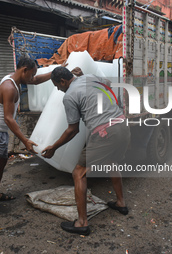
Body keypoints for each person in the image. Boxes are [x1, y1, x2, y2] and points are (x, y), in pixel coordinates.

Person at [0, 57, 62, 231]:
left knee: (1, 163)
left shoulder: (16, 78)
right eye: (31, 74)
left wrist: (56, 72)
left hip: (0, 133)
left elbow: (38, 80)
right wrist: (25, 140)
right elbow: (8, 119)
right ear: (24, 70)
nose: (33, 78)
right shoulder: (9, 87)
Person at [42, 67, 130, 236]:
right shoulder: (90, 77)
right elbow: (109, 84)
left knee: (79, 172)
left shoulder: (69, 96)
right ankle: (121, 202)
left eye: (57, 86)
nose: (58, 89)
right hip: (122, 125)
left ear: (62, 81)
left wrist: (53, 147)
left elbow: (72, 130)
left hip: (106, 133)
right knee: (112, 162)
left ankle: (82, 223)